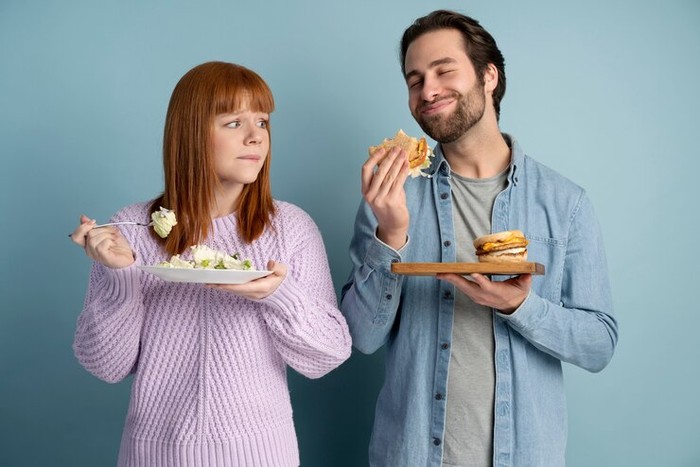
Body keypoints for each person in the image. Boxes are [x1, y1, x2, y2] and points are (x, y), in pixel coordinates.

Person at [340, 10, 618, 467]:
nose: (427, 91)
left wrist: (519, 306)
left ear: (489, 76)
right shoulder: (392, 193)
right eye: (414, 80)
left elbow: (599, 344)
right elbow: (359, 337)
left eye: (444, 70)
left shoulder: (565, 203)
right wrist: (390, 233)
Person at [70, 61, 351, 467]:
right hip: (153, 454)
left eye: (263, 122)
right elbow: (105, 365)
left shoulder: (291, 227)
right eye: (234, 123)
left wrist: (278, 293)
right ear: (190, 133)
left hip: (261, 455)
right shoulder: (132, 228)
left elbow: (328, 355)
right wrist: (121, 276)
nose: (256, 137)